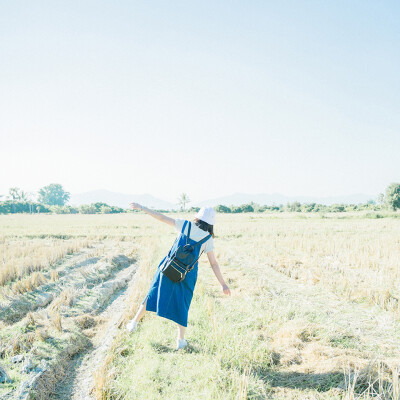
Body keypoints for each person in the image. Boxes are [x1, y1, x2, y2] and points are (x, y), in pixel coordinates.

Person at [126, 204, 231, 350]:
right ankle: (180, 341)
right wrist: (223, 284)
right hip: (187, 275)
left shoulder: (185, 225)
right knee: (183, 304)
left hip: (168, 267)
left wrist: (142, 208)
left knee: (153, 293)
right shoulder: (208, 239)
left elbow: (161, 217)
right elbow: (213, 263)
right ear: (211, 223)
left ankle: (134, 323)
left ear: (197, 217)